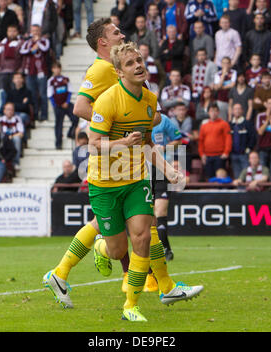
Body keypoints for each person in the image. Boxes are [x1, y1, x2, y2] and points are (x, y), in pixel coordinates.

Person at [43, 18, 160, 308]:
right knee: (135, 226)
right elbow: (81, 107)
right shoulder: (102, 68)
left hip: (125, 157)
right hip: (111, 159)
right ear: (103, 43)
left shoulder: (121, 67)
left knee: (133, 223)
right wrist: (109, 123)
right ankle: (153, 281)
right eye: (115, 32)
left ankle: (64, 272)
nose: (122, 34)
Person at [88, 42, 203, 322]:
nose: (138, 65)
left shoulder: (150, 101)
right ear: (118, 72)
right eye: (130, 63)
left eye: (139, 60)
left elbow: (149, 145)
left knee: (142, 235)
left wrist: (168, 171)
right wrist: (123, 142)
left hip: (136, 178)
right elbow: (92, 145)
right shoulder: (107, 100)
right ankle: (101, 247)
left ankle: (131, 305)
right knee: (118, 250)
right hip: (104, 183)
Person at [151, 113, 182, 261]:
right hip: (142, 170)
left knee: (160, 210)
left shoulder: (163, 120)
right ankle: (153, 249)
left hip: (161, 169)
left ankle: (165, 249)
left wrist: (164, 148)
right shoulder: (135, 117)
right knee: (147, 213)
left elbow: (178, 140)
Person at [20, 24, 50, 122]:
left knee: (42, 94)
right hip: (30, 72)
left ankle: (44, 114)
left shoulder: (44, 41)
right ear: (30, 32)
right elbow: (22, 51)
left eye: (37, 30)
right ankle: (35, 114)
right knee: (32, 95)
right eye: (33, 31)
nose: (35, 33)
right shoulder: (27, 42)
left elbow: (45, 49)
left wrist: (38, 42)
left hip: (41, 72)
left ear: (40, 31)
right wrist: (31, 49)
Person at [47, 61, 79, 149]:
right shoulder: (51, 81)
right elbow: (50, 95)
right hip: (58, 106)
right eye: (55, 68)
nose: (57, 70)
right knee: (59, 124)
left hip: (66, 104)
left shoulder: (66, 79)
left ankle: (70, 133)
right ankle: (58, 144)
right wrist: (55, 105)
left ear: (60, 69)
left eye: (58, 68)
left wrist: (67, 102)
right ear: (52, 70)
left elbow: (69, 91)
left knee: (75, 117)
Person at [198, 103, 232, 179]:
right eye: (211, 111)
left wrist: (226, 152)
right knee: (209, 177)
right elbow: (201, 141)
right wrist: (202, 154)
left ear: (218, 112)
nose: (213, 113)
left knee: (220, 177)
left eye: (215, 111)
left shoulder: (224, 124)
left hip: (220, 156)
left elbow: (228, 138)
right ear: (208, 112)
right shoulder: (204, 126)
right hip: (207, 156)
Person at [229, 103, 256, 178]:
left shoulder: (248, 124)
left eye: (239, 109)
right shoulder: (230, 125)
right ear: (232, 111)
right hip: (233, 154)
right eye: (235, 109)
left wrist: (248, 149)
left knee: (247, 175)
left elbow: (253, 137)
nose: (237, 111)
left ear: (242, 111)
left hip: (244, 154)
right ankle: (240, 189)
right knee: (237, 175)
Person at [0, 24, 23, 92]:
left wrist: (20, 68)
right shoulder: (2, 43)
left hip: (15, 72)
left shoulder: (20, 43)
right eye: (10, 31)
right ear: (7, 32)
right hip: (2, 72)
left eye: (14, 31)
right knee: (3, 92)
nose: (12, 33)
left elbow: (23, 58)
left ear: (17, 32)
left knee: (15, 91)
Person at [0, 102, 24, 170]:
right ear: (4, 111)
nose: (9, 111)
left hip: (13, 138)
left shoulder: (17, 119)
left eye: (11, 109)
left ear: (13, 111)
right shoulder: (0, 120)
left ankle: (16, 163)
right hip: (3, 140)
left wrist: (11, 137)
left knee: (17, 139)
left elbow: (21, 133)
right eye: (8, 109)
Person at [213, 56, 237, 120]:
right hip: (221, 100)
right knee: (222, 119)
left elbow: (232, 85)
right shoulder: (217, 74)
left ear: (230, 64)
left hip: (232, 100)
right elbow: (217, 87)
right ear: (221, 64)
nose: (225, 65)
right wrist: (223, 74)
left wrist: (221, 87)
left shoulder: (234, 72)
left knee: (232, 119)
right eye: (224, 63)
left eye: (227, 63)